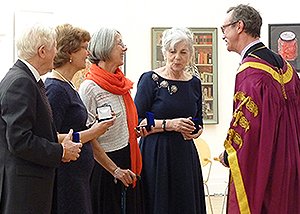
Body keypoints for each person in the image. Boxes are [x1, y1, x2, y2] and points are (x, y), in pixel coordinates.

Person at [219, 4, 300, 213]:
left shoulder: (250, 74)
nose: (223, 35)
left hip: (268, 165)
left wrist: (229, 155)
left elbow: (247, 126)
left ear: (239, 26)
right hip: (291, 161)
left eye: (224, 29)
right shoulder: (286, 68)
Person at [0, 24, 82, 214]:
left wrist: (59, 140)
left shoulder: (25, 78)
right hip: (24, 191)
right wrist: (60, 151)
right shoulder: (22, 81)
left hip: (29, 187)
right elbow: (20, 141)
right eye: (55, 47)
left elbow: (32, 130)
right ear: (42, 51)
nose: (57, 53)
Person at [45, 24, 122, 214]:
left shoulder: (67, 85)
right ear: (70, 52)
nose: (88, 53)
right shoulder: (55, 89)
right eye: (84, 48)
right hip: (67, 179)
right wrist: (95, 131)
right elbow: (51, 136)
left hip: (78, 177)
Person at [134, 27, 206, 214]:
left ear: (190, 54)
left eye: (183, 52)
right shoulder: (151, 80)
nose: (177, 57)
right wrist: (169, 124)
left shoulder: (194, 83)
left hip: (184, 154)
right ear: (164, 52)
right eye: (172, 51)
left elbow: (198, 121)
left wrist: (195, 130)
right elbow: (138, 121)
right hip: (156, 153)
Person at [78, 27, 143, 214]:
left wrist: (136, 130)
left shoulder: (121, 84)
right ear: (105, 48)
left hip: (127, 157)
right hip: (104, 167)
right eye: (119, 43)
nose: (125, 48)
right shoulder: (89, 88)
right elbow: (89, 137)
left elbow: (121, 125)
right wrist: (114, 170)